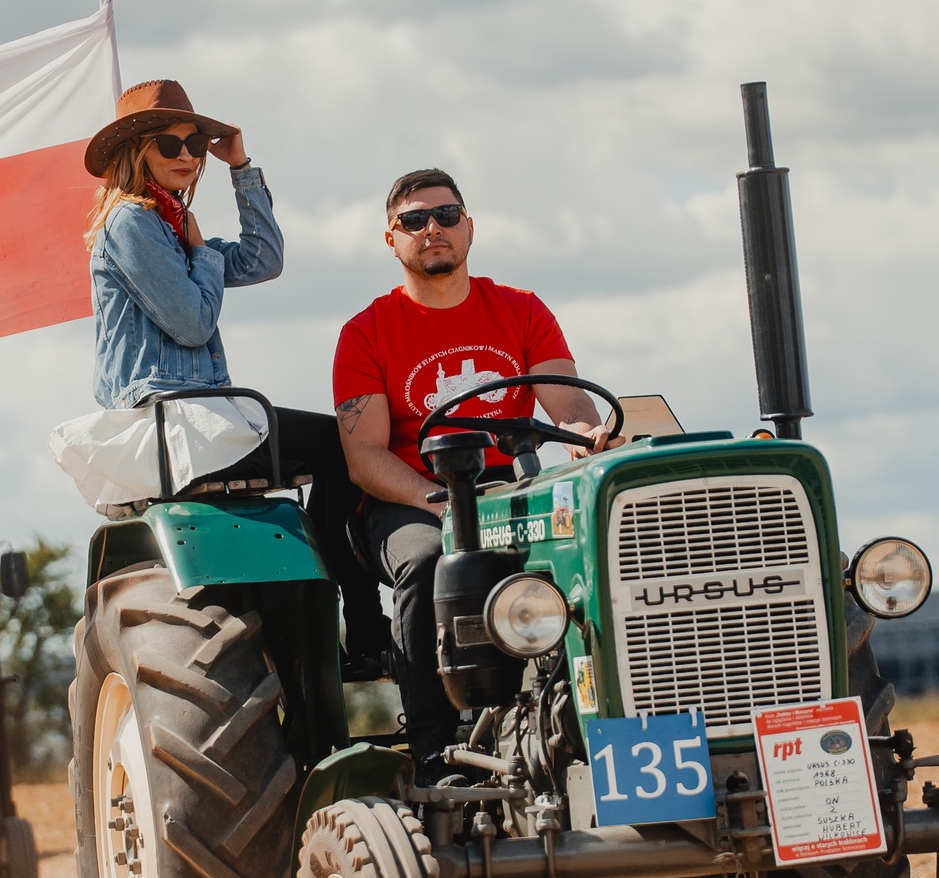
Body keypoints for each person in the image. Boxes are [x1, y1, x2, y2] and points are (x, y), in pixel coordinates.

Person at [83, 78, 387, 672]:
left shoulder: (171, 227)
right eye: (170, 144)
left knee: (344, 448)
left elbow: (264, 260)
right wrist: (201, 254)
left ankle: (341, 626)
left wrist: (241, 169)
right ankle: (367, 626)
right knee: (341, 448)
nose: (187, 156)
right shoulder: (132, 224)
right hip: (172, 417)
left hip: (205, 416)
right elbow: (192, 323)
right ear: (136, 150)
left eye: (195, 143)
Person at [334, 168, 618, 768]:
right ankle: (436, 749)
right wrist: (438, 503)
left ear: (469, 227)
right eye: (413, 220)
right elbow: (365, 458)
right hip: (411, 498)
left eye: (446, 216)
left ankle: (591, 721)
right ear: (391, 239)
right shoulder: (366, 332)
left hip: (508, 487)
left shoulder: (521, 309)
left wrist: (585, 436)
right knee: (427, 560)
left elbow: (567, 405)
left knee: (591, 546)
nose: (431, 229)